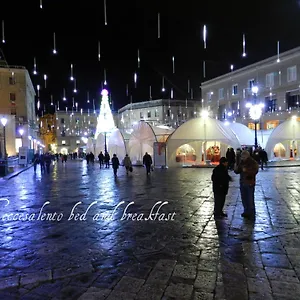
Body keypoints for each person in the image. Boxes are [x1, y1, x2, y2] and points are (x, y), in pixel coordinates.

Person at [234, 150, 259, 220]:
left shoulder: (252, 162)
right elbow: (237, 171)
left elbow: (255, 171)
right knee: (244, 198)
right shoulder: (241, 162)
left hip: (249, 182)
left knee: (250, 198)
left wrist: (247, 170)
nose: (242, 158)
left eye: (243, 156)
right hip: (242, 182)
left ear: (247, 156)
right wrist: (236, 168)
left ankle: (251, 213)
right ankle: (246, 211)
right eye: (242, 156)